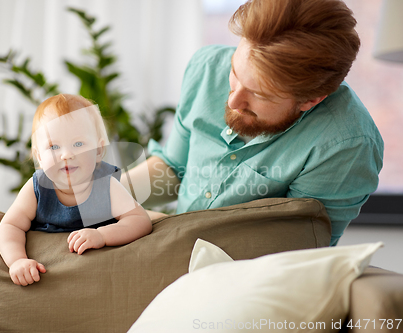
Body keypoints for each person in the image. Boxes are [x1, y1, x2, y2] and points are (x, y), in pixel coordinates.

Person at [122, 0, 383, 246]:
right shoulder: (206, 68)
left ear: (310, 100)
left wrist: (158, 225)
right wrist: (100, 195)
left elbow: (292, 249)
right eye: (235, 73)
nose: (234, 101)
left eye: (259, 94)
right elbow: (175, 168)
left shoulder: (347, 144)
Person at [0, 94, 152, 286]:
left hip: (96, 275)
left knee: (152, 215)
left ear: (98, 151)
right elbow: (10, 226)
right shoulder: (37, 187)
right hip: (51, 275)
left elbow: (139, 220)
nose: (66, 154)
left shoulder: (105, 184)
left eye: (78, 144)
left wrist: (102, 235)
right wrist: (17, 260)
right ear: (39, 157)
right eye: (53, 146)